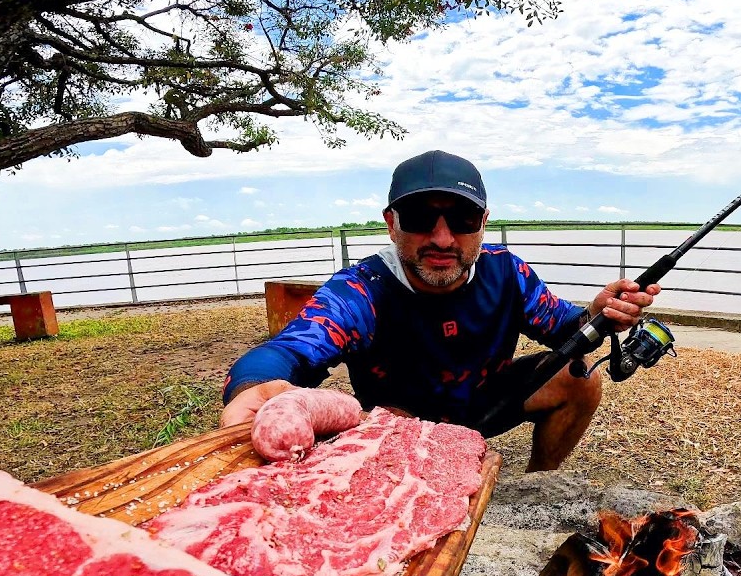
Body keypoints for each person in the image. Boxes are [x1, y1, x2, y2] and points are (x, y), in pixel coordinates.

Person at [220, 150, 660, 472]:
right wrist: (253, 386)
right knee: (391, 420)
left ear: (483, 222)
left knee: (581, 375)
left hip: (487, 401)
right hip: (405, 423)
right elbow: (289, 351)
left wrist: (601, 312)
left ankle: (538, 484)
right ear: (392, 223)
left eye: (462, 219)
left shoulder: (506, 272)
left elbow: (566, 327)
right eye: (419, 218)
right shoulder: (361, 289)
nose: (443, 239)